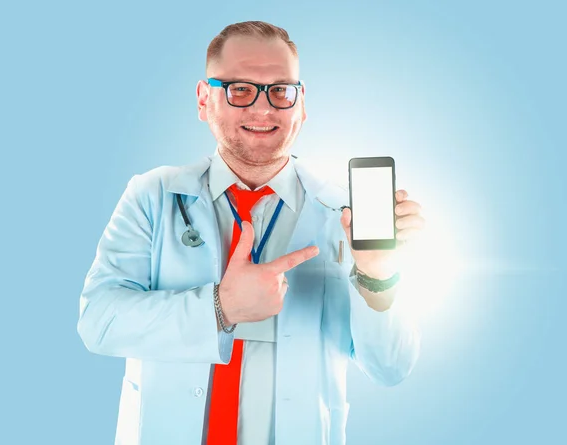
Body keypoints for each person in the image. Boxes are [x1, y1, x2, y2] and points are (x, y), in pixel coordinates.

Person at [77, 20, 425, 445]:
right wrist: (220, 308)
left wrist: (376, 274)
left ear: (301, 105)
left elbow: (391, 367)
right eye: (240, 89)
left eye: (281, 90)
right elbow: (98, 322)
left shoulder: (344, 213)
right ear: (205, 99)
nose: (264, 109)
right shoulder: (153, 195)